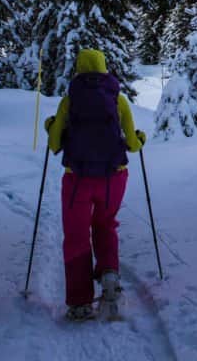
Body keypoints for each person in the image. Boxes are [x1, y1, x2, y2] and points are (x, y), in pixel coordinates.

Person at [45, 49, 146, 321]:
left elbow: (54, 144)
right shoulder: (118, 99)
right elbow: (133, 145)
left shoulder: (69, 100)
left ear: (78, 69)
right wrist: (139, 138)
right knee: (105, 225)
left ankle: (79, 303)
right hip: (114, 177)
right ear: (104, 69)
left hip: (77, 179)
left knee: (77, 235)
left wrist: (51, 126)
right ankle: (110, 278)